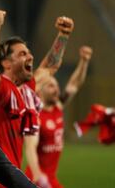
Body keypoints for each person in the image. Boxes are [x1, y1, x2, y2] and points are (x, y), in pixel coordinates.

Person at [0, 9, 74, 187]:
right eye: (22, 54)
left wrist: (63, 35)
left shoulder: (26, 87)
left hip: (13, 176)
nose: (30, 56)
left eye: (29, 53)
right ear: (6, 63)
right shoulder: (1, 89)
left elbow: (50, 67)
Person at [24, 46, 93, 188]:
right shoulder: (35, 116)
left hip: (50, 179)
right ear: (40, 92)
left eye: (56, 85)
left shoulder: (58, 108)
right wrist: (38, 176)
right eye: (50, 86)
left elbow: (74, 84)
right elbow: (30, 148)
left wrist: (83, 62)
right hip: (36, 179)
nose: (56, 89)